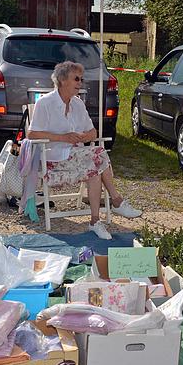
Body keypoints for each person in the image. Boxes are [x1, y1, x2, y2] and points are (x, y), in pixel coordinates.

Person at [27, 61, 141, 240]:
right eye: (76, 79)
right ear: (63, 80)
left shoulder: (78, 104)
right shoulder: (45, 103)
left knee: (94, 168)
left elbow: (93, 132)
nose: (80, 83)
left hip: (79, 157)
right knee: (97, 156)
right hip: (54, 158)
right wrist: (64, 137)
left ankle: (95, 220)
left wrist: (84, 137)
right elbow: (32, 133)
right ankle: (116, 200)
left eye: (81, 79)